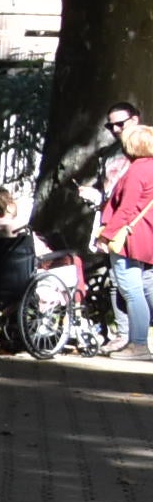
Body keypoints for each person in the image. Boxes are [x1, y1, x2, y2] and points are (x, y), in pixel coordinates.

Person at [96, 120, 153, 357]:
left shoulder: (137, 170)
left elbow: (126, 208)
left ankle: (138, 344)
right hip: (148, 236)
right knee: (148, 287)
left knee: (131, 290)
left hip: (129, 238)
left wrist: (106, 235)